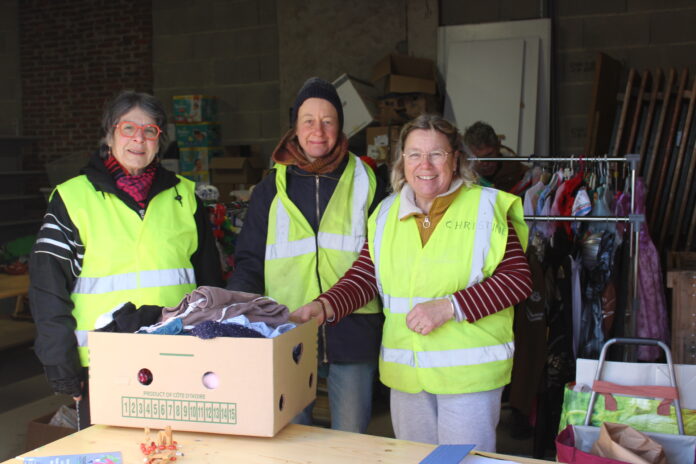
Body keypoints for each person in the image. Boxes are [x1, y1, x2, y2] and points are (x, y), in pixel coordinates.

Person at [291, 114, 532, 450]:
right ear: (402, 160)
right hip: (407, 376)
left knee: (462, 462)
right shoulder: (386, 213)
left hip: (467, 377)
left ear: (456, 158)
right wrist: (324, 305)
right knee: (418, 460)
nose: (425, 165)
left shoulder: (486, 208)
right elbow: (365, 277)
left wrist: (451, 307)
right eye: (414, 154)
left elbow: (516, 280)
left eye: (437, 154)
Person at [29, 90, 224, 426]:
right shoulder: (73, 198)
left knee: (178, 452)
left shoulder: (185, 197)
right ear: (109, 134)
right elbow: (48, 289)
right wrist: (61, 364)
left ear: (159, 140)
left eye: (150, 130)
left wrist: (218, 346)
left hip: (180, 356)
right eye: (128, 128)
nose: (139, 139)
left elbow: (211, 286)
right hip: (103, 362)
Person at [226, 77, 387, 433]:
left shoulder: (369, 180)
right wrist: (238, 315)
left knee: (350, 442)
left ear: (340, 126)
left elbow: (383, 256)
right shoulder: (272, 186)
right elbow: (250, 259)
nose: (319, 130)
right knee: (292, 439)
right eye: (308, 120)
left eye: (328, 120)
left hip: (354, 329)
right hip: (288, 328)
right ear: (295, 128)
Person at [464, 121, 527, 192]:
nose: (485, 163)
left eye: (489, 155)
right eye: (478, 158)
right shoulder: (462, 174)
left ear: (497, 148)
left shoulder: (514, 167)